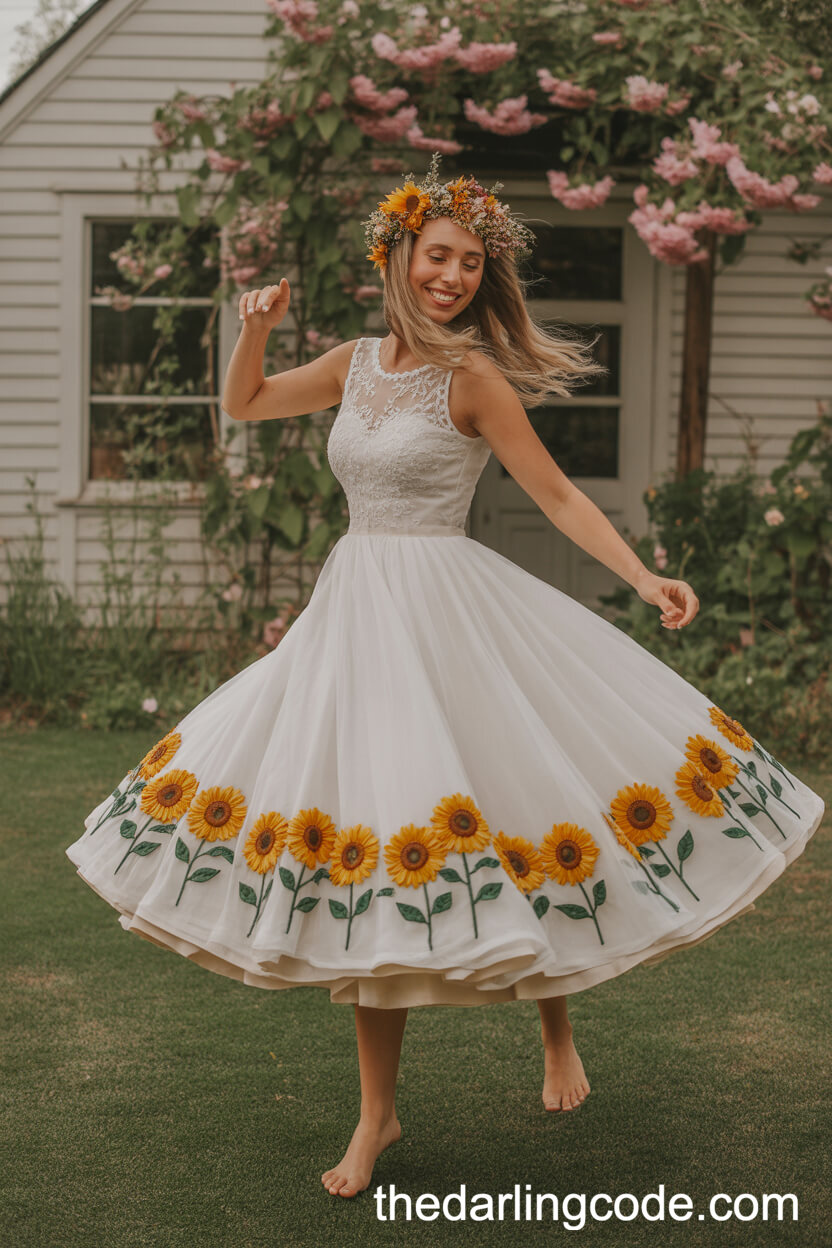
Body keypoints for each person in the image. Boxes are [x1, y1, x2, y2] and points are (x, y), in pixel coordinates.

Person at [66, 152, 825, 1202]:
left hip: (450, 609)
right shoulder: (351, 362)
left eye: (470, 263)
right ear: (398, 256)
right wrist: (253, 322)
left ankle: (556, 1030)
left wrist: (645, 576)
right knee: (381, 847)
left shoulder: (475, 378)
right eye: (437, 256)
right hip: (355, 618)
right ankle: (377, 1116)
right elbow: (243, 404)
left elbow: (555, 496)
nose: (452, 276)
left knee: (518, 798)